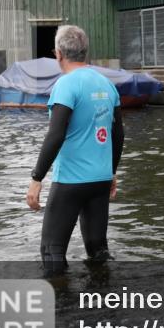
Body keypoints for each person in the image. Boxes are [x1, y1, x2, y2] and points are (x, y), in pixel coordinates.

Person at [26, 25, 125, 276]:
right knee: (97, 249)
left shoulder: (66, 85)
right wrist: (112, 172)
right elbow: (118, 133)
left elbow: (56, 133)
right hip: (100, 180)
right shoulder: (107, 84)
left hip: (71, 181)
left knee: (52, 250)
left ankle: (61, 307)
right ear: (85, 52)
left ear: (58, 53)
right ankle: (105, 304)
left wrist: (37, 178)